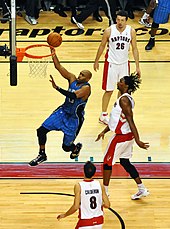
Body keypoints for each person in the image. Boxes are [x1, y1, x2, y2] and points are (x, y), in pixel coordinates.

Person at [29, 50, 92, 166]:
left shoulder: (86, 88)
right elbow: (58, 67)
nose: (79, 76)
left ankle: (75, 148)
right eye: (80, 73)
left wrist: (57, 88)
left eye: (83, 75)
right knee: (41, 130)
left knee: (66, 148)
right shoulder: (72, 79)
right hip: (63, 112)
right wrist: (53, 53)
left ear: (88, 79)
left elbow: (73, 95)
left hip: (74, 119)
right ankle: (42, 154)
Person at [95, 73, 150, 200]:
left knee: (107, 163)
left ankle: (106, 192)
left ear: (126, 85)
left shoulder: (124, 101)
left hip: (121, 137)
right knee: (125, 162)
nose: (118, 82)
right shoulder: (125, 98)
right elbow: (117, 120)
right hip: (126, 136)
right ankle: (142, 189)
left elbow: (131, 121)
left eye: (121, 81)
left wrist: (138, 141)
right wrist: (104, 131)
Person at [94, 10, 141, 125]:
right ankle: (103, 115)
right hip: (111, 64)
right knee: (109, 90)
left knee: (123, 90)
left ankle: (118, 111)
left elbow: (134, 48)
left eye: (122, 20)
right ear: (116, 19)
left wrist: (138, 66)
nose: (120, 22)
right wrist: (96, 61)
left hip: (124, 64)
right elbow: (102, 46)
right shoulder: (109, 31)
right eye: (118, 20)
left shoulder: (131, 31)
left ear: (126, 21)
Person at [57, 161, 110, 228]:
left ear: (83, 171)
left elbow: (76, 207)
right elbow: (107, 205)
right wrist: (101, 204)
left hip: (85, 222)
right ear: (94, 173)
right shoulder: (100, 185)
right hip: (99, 221)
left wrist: (65, 215)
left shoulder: (79, 186)